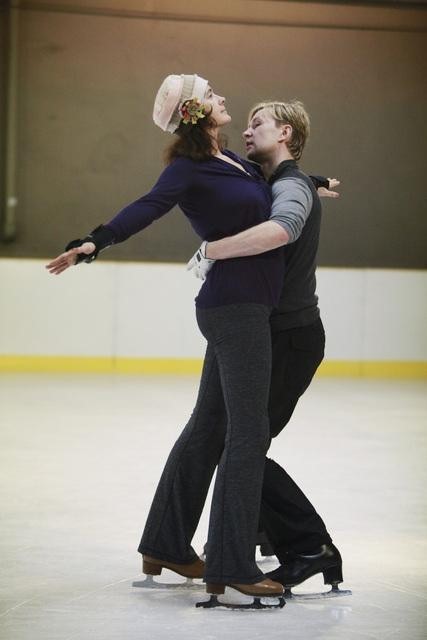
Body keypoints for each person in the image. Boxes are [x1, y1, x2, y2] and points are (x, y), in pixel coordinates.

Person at [46, 74, 288, 609]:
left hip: (238, 305)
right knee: (249, 433)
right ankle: (230, 563)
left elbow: (268, 191)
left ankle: (164, 543)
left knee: (209, 427)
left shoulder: (230, 160)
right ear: (195, 112)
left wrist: (306, 182)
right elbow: (148, 206)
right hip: (237, 308)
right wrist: (95, 241)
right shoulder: (189, 167)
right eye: (213, 94)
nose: (224, 97)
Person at [187, 100, 348, 596]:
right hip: (271, 333)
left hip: (290, 337)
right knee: (241, 445)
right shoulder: (281, 180)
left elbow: (283, 226)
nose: (247, 130)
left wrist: (210, 250)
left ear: (285, 132)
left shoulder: (290, 187)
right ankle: (254, 535)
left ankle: (308, 546)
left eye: (257, 123)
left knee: (243, 447)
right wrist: (314, 177)